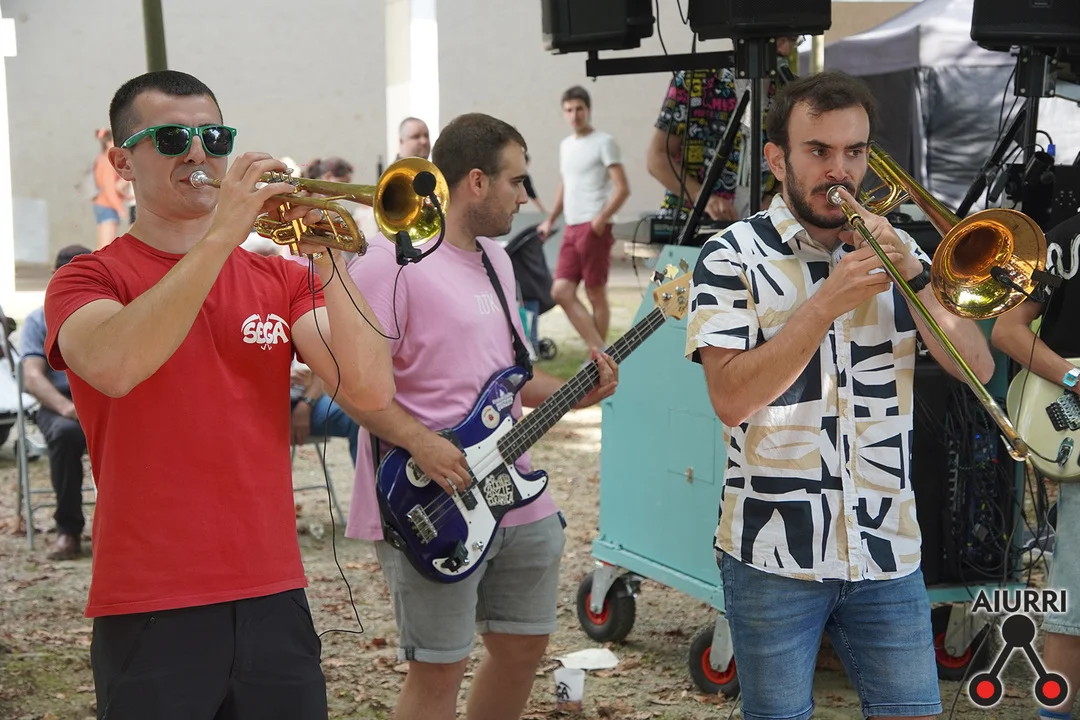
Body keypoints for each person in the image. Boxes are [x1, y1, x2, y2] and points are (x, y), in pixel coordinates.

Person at [43, 69, 394, 720]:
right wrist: (222, 235)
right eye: (172, 138)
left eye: (215, 137)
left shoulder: (282, 278)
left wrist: (330, 260)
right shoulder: (87, 278)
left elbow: (371, 389)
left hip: (274, 594)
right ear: (122, 163)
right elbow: (117, 365)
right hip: (149, 603)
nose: (198, 153)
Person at [685, 70, 996, 720]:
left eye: (855, 151)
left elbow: (977, 370)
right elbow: (730, 399)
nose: (840, 170)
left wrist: (919, 278)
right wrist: (823, 304)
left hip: (887, 551)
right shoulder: (728, 257)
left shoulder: (902, 253)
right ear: (777, 160)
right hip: (774, 555)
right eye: (819, 150)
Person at [341, 112, 618, 720]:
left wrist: (579, 391)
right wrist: (421, 443)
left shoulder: (498, 258)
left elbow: (509, 376)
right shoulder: (390, 260)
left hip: (514, 486)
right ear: (475, 181)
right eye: (516, 181)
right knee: (439, 668)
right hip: (428, 496)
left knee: (523, 647)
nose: (524, 196)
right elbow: (350, 385)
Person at [991, 214, 1080, 720]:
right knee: (1075, 581)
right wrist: (1073, 379)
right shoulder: (1065, 239)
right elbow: (1007, 330)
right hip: (1072, 417)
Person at [646, 36, 800, 226]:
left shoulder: (789, 91)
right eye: (780, 40)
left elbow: (794, 161)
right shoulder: (694, 80)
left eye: (793, 41)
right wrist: (702, 198)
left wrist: (774, 196)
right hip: (692, 223)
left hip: (760, 227)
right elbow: (657, 158)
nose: (785, 50)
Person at [537, 86, 630, 352]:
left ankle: (597, 360)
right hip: (571, 226)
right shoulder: (566, 146)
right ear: (563, 113)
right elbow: (565, 185)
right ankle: (599, 351)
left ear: (588, 110)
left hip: (594, 227)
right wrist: (551, 219)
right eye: (569, 110)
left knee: (595, 294)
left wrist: (601, 219)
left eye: (579, 109)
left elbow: (622, 188)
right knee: (561, 291)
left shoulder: (604, 142)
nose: (574, 115)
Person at [19, 244, 94, 560]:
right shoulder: (39, 320)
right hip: (60, 403)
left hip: (103, 398)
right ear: (54, 276)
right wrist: (66, 408)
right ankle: (69, 530)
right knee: (65, 434)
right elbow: (32, 376)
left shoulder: (107, 313)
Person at [90, 128, 131, 249]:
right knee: (105, 246)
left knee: (103, 246)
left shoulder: (100, 158)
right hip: (107, 206)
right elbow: (109, 189)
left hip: (103, 204)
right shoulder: (107, 162)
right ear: (109, 142)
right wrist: (119, 208)